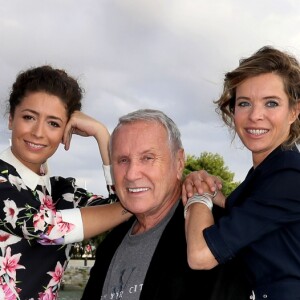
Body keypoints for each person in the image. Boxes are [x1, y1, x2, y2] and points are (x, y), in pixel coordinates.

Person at [81, 109, 249, 300]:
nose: (131, 174)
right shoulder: (112, 243)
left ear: (179, 163)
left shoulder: (214, 234)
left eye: (147, 158)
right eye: (123, 160)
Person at [0, 65, 130, 299]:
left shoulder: (62, 192)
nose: (38, 132)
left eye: (53, 123)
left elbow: (124, 201)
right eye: (29, 117)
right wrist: (130, 206)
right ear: (11, 118)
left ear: (65, 133)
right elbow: (45, 228)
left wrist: (102, 135)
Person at [183, 46, 300, 300]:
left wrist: (198, 196)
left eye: (271, 103)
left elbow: (200, 255)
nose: (255, 116)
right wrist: (215, 193)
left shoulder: (289, 174)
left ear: (293, 111)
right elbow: (254, 214)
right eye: (244, 103)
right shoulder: (269, 172)